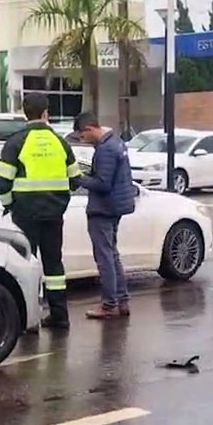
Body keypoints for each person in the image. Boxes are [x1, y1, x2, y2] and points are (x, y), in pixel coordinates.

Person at [0, 93, 82, 330]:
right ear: (46, 113)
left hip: (25, 215)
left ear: (25, 113)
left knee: (25, 265)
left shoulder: (16, 142)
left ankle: (29, 321)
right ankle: (60, 316)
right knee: (54, 266)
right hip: (54, 214)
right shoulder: (61, 143)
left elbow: (1, 180)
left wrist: (9, 204)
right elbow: (75, 180)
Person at [72, 111, 135, 319]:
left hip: (104, 209)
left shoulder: (105, 149)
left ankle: (108, 305)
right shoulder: (116, 142)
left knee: (105, 257)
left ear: (90, 129)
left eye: (82, 136)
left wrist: (78, 179)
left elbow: (103, 183)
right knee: (112, 254)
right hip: (116, 207)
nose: (83, 140)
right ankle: (122, 300)